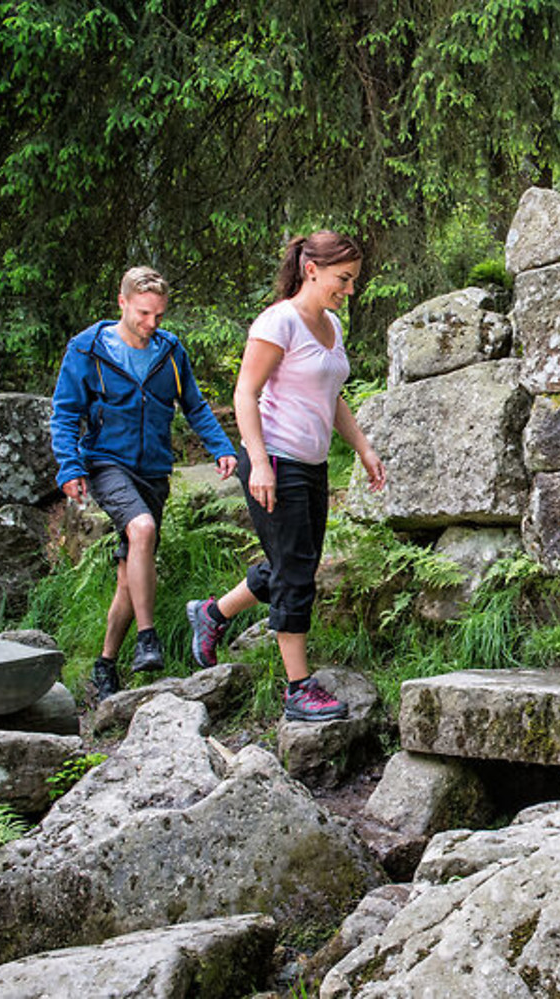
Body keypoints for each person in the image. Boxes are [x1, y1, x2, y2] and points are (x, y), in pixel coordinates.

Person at [187, 231, 385, 722]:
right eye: (344, 279)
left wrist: (362, 447)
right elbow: (244, 393)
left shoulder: (332, 327)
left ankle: (212, 615)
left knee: (293, 562)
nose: (350, 290)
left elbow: (330, 394)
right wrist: (258, 462)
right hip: (274, 459)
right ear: (311, 269)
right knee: (295, 571)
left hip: (312, 464)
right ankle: (298, 688)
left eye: (355, 280)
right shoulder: (279, 321)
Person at [50, 266, 238, 699]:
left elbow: (194, 406)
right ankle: (148, 637)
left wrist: (221, 447)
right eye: (143, 313)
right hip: (106, 463)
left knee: (127, 579)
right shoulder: (88, 349)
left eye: (158, 315)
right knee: (142, 529)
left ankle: (105, 666)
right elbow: (64, 414)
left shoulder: (169, 351)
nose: (151, 324)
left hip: (154, 470)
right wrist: (70, 468)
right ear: (122, 302)